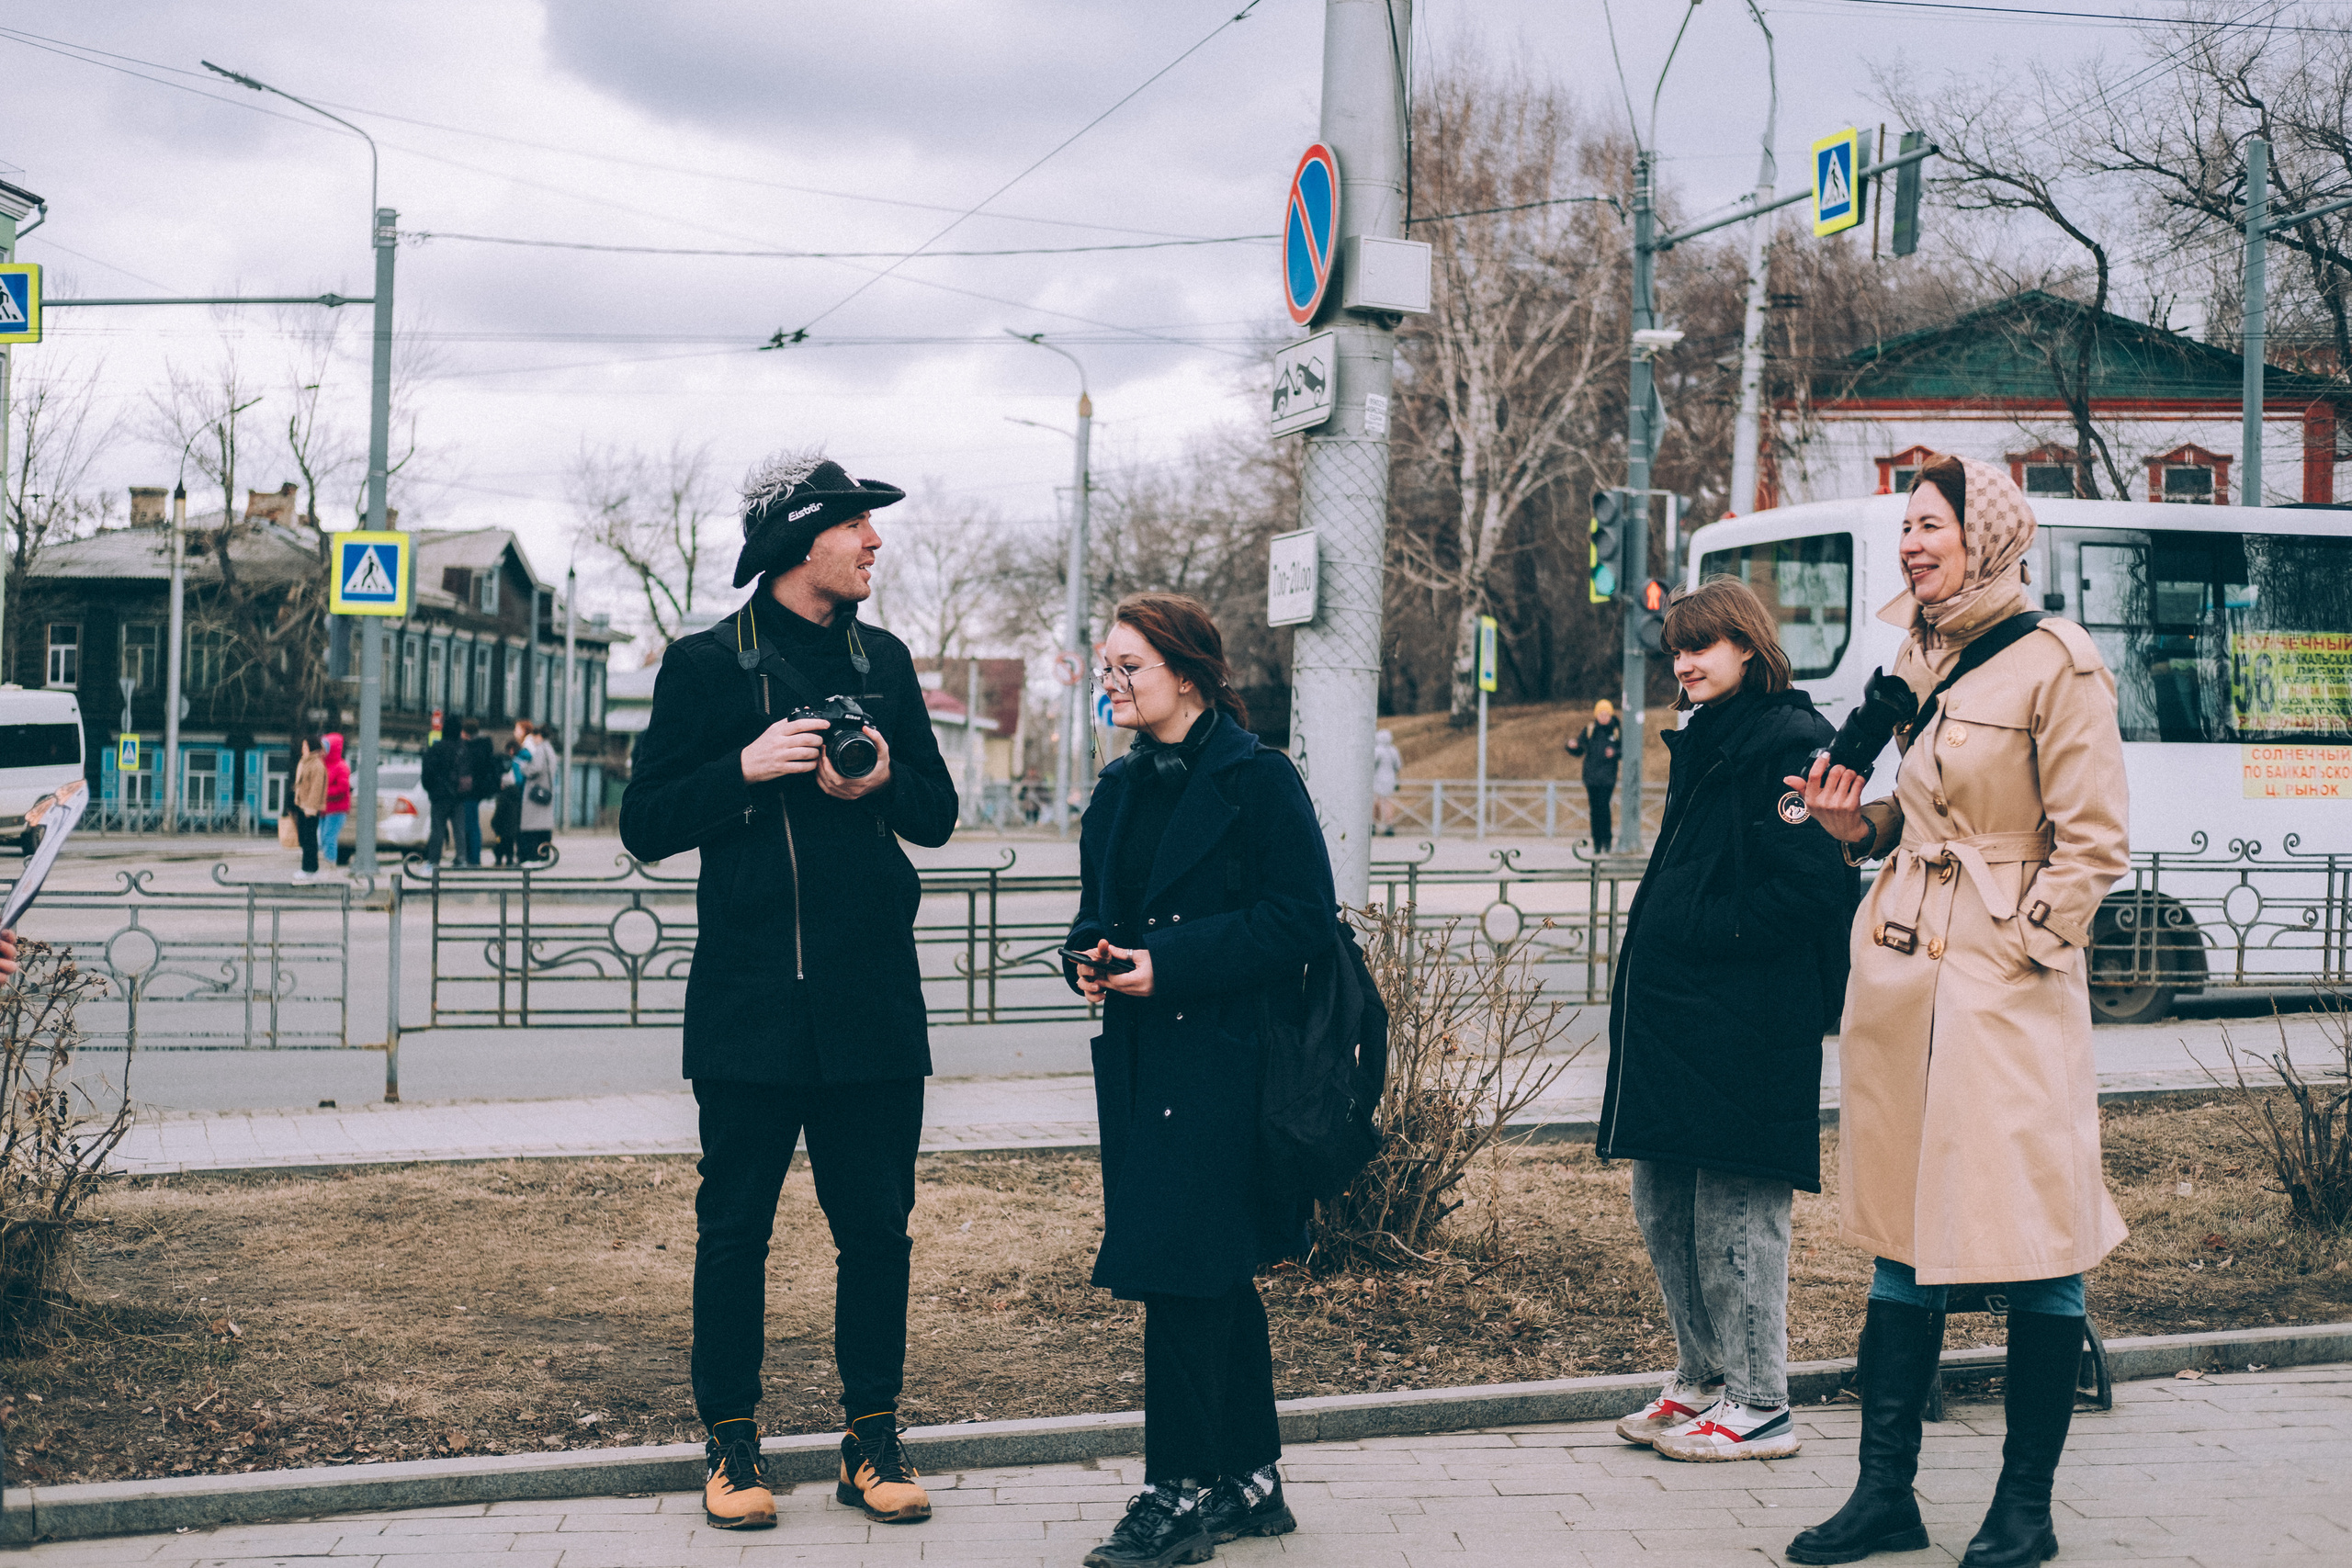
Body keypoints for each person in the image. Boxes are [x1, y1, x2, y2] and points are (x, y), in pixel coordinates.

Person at [1781, 454, 2130, 1568]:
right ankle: (1885, 1497)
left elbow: (2093, 846)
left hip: (2002, 991)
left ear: (1987, 534)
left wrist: (2020, 950)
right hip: (1902, 979)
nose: (1914, 545)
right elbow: (1918, 816)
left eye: (1931, 526)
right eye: (1907, 530)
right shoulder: (1921, 657)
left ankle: (2022, 1510)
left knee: (2036, 1236)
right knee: (1900, 1236)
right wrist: (1856, 827)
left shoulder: (2056, 663)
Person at [619, 451, 958, 1533]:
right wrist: (746, 769)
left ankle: (873, 1436)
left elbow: (938, 816)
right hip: (749, 1002)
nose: (873, 543)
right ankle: (729, 1444)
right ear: (797, 541)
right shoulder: (709, 664)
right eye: (855, 526)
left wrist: (882, 778)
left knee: (879, 1233)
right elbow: (644, 825)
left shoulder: (887, 660)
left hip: (871, 1002)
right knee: (734, 1235)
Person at [1063, 592, 1333, 1568]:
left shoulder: (1257, 782)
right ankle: (1250, 1483)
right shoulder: (1122, 788)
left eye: (1128, 665)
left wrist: (1165, 963)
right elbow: (1093, 913)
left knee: (1183, 1273)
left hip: (1229, 1066)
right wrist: (1088, 957)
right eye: (1107, 665)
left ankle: (1175, 1496)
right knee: (1208, 1272)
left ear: (1186, 672)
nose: (1112, 680)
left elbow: (1302, 919)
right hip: (1142, 1061)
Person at [1597, 580, 1855, 1466]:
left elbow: (1815, 886)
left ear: (1749, 644)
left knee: (1736, 1208)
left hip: (1748, 1020)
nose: (1684, 660)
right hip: (1683, 1019)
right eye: (1676, 647)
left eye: (1702, 644)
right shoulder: (1708, 738)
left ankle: (1760, 1402)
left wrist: (1699, 934)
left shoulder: (1789, 739)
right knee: (1662, 1197)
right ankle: (1704, 1377)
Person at [1566, 698, 1623, 852]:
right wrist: (1571, 746)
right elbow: (1580, 749)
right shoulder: (1590, 730)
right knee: (1594, 810)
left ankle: (1607, 841)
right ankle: (1597, 843)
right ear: (1596, 715)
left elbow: (1626, 750)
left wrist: (1615, 752)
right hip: (1591, 777)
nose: (1603, 717)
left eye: (1606, 714)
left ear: (1611, 715)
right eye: (1601, 714)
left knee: (1604, 808)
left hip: (1608, 777)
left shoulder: (1616, 731)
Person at [422, 722, 469, 866]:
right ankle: (461, 858)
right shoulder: (462, 749)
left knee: (437, 829)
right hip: (458, 796)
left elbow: (427, 774)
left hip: (439, 796)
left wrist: (432, 789)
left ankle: (433, 861)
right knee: (459, 829)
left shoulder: (436, 749)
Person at [514, 718, 555, 863]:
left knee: (532, 828)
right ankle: (544, 855)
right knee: (544, 828)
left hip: (535, 795)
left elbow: (535, 768)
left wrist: (524, 768)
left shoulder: (540, 749)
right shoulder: (550, 749)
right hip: (545, 792)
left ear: (538, 736)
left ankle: (532, 857)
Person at [289, 735, 326, 884]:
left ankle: (310, 869)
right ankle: (308, 869)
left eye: (305, 746)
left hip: (309, 809)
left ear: (312, 747)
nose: (303, 749)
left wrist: (310, 808)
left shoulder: (316, 764)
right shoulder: (305, 762)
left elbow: (316, 789)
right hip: (302, 805)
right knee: (304, 839)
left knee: (309, 839)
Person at [461, 717, 498, 865]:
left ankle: (472, 858)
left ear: (465, 732)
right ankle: (473, 857)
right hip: (478, 791)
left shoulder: (470, 748)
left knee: (469, 825)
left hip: (469, 791)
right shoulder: (483, 746)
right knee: (472, 824)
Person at [318, 733, 352, 875]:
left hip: (337, 809)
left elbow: (343, 789)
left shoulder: (340, 767)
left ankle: (330, 864)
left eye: (324, 748)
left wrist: (323, 792)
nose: (321, 752)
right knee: (322, 837)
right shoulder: (322, 765)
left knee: (329, 836)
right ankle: (326, 862)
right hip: (324, 809)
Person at [492, 739, 524, 866]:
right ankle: (510, 858)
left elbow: (498, 813)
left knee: (501, 841)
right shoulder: (516, 795)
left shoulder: (504, 795)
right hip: (511, 827)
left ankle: (500, 858)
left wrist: (494, 822)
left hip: (502, 829)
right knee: (510, 840)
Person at [1371, 728, 1403, 834]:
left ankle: (1374, 825)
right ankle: (1389, 825)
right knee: (1386, 802)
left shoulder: (1377, 750)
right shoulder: (1394, 750)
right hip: (1390, 780)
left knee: (1376, 803)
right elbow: (1398, 766)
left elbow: (1371, 766)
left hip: (1377, 780)